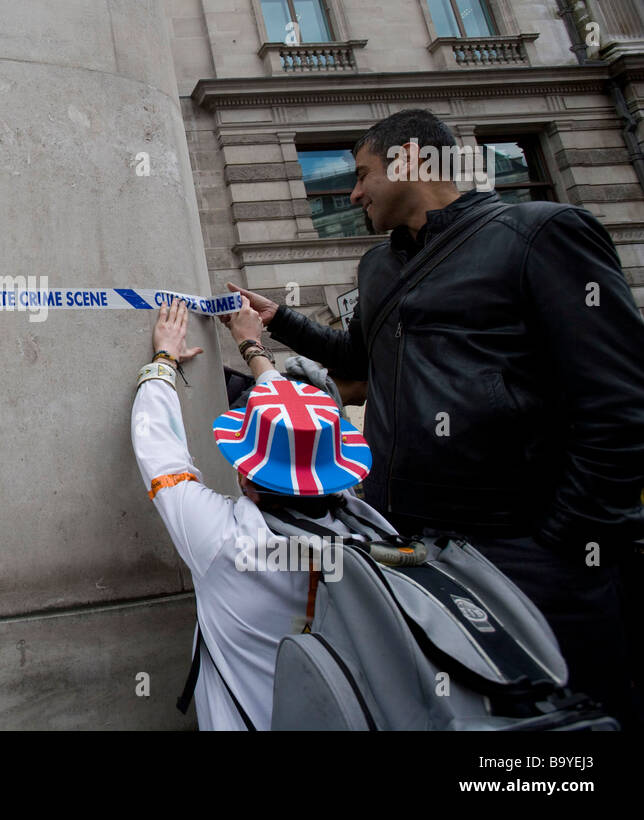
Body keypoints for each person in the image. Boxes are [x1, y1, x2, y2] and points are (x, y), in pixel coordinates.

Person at [230, 107, 644, 727]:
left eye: (363, 174)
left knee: (572, 727)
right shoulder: (377, 266)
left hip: (534, 548)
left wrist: (565, 536)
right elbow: (359, 363)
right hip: (415, 545)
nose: (353, 192)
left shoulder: (542, 231)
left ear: (412, 161)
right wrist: (281, 321)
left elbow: (620, 402)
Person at [131, 299, 393, 729]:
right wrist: (252, 346)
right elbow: (303, 435)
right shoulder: (367, 534)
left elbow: (158, 450)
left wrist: (163, 359)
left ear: (245, 475)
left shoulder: (224, 542)